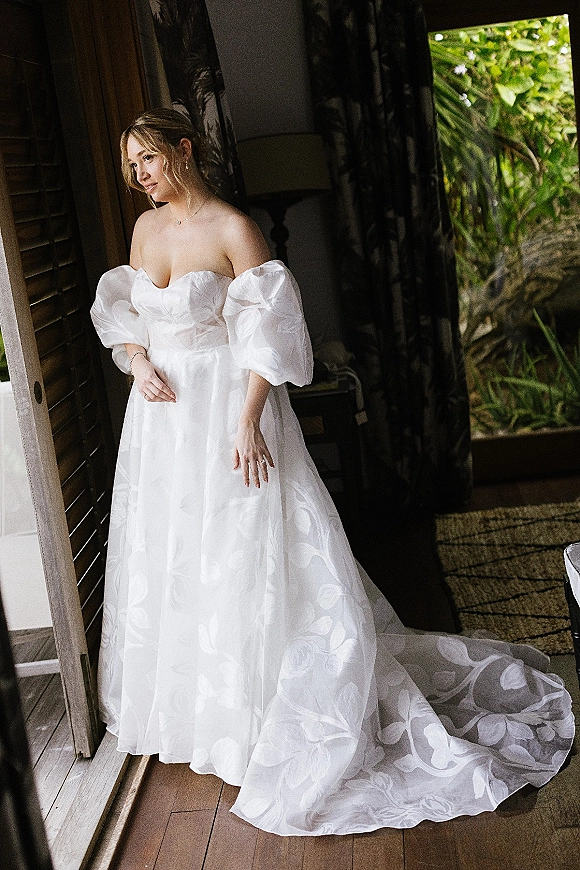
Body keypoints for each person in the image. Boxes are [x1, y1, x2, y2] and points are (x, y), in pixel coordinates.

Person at [90, 108, 574, 837]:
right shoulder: (145, 231)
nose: (141, 176)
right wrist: (137, 361)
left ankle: (256, 712)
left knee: (242, 550)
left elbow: (270, 330)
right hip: (161, 423)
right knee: (177, 554)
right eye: (133, 166)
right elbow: (127, 312)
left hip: (228, 407)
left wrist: (249, 419)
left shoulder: (232, 227)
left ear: (183, 149)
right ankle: (194, 712)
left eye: (149, 159)